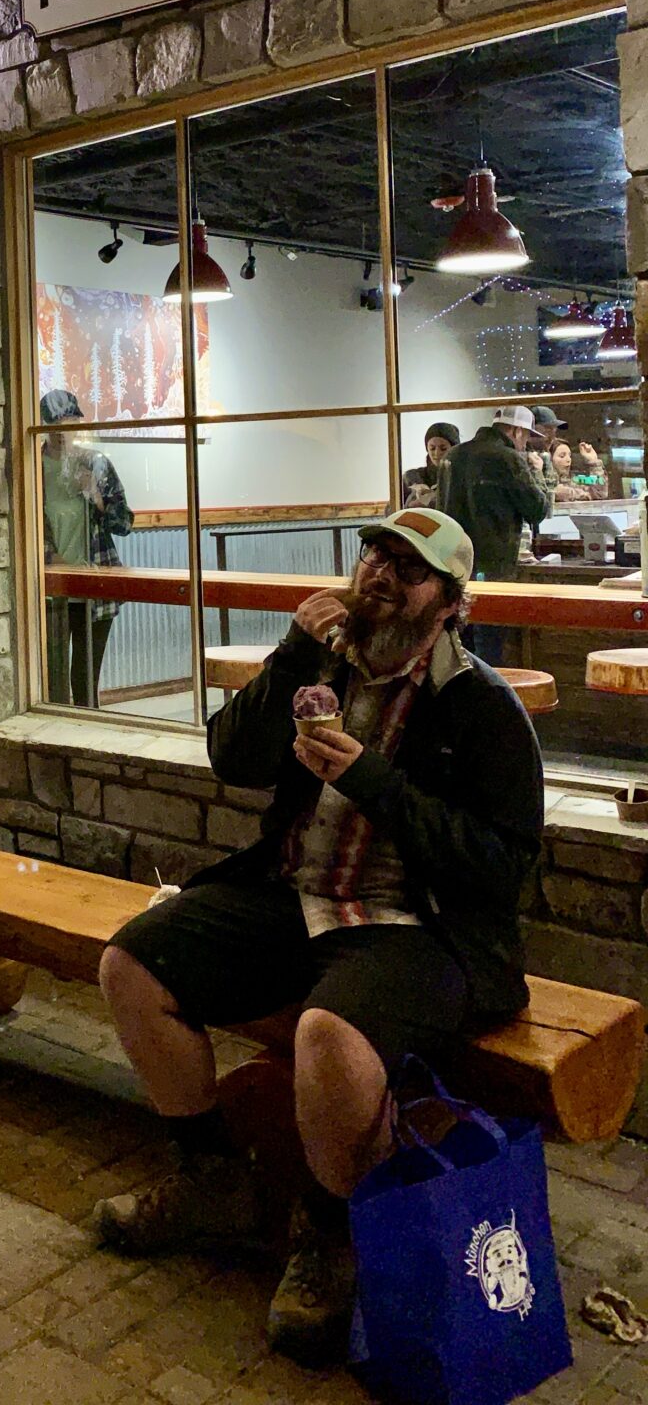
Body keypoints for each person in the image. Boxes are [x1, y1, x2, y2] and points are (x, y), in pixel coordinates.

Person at [92, 508, 542, 1368]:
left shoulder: (480, 705)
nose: (379, 572)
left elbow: (500, 864)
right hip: (292, 897)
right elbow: (233, 756)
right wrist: (291, 653)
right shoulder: (321, 668)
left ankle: (333, 1237)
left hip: (416, 928)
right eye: (374, 552)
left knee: (326, 1038)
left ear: (448, 602)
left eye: (407, 567)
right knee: (131, 960)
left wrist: (372, 780)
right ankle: (212, 1177)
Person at [435, 405, 551, 664]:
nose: (525, 444)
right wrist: (537, 472)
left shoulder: (452, 456)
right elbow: (537, 509)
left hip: (453, 568)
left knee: (459, 649)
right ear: (516, 431)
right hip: (494, 569)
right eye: (526, 436)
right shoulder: (508, 458)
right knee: (489, 652)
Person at [39, 389, 133, 708]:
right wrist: (51, 556)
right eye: (56, 424)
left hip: (95, 585)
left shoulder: (95, 464)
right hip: (52, 587)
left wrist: (96, 496)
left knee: (85, 678)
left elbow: (124, 523)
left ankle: (88, 734)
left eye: (70, 422)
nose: (64, 431)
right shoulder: (33, 468)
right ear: (44, 426)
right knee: (50, 679)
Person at [401, 422, 459, 506]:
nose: (437, 453)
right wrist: (410, 505)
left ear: (453, 449)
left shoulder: (462, 478)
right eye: (432, 448)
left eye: (443, 448)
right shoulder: (412, 477)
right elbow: (391, 508)